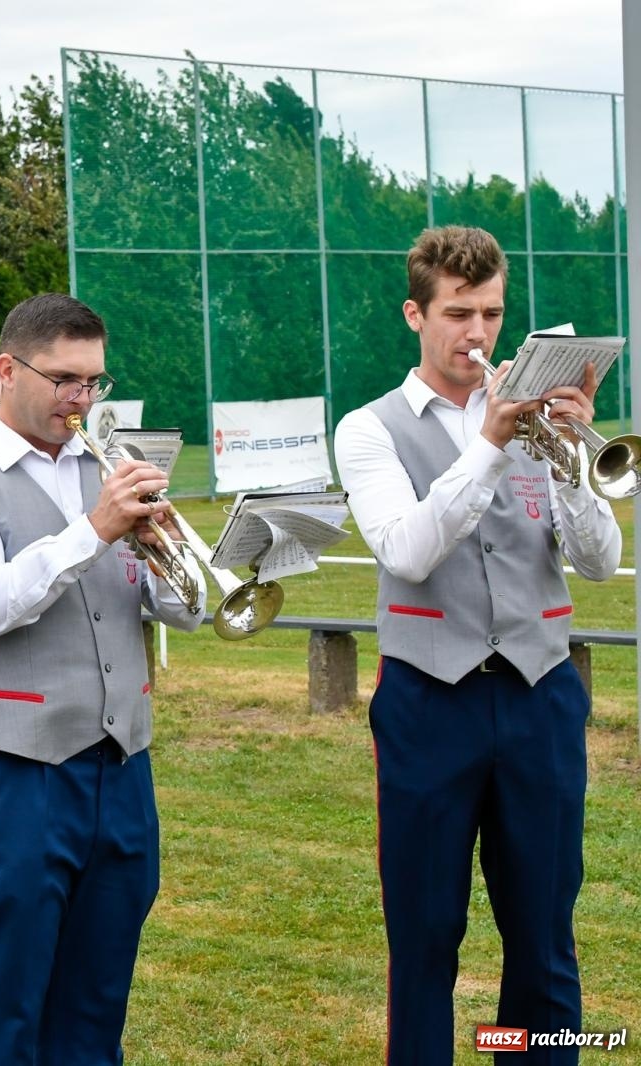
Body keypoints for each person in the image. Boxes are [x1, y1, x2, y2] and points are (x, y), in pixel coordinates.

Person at [333, 225, 621, 1065]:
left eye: (492, 314)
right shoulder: (370, 428)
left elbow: (600, 563)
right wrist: (491, 443)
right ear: (414, 313)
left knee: (543, 936)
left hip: (540, 694)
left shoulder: (537, 415)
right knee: (425, 939)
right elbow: (409, 550)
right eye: (459, 314)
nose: (479, 335)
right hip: (431, 700)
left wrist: (569, 455)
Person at [0, 292, 204, 1065]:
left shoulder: (105, 470)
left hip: (120, 764)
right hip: (15, 769)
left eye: (95, 383)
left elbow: (185, 611)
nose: (82, 401)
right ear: (7, 371)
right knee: (1, 1001)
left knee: (96, 1000)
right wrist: (97, 529)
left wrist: (165, 557)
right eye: (66, 380)